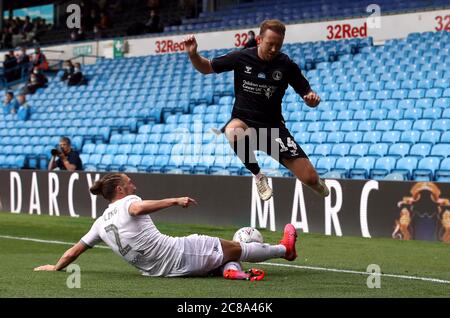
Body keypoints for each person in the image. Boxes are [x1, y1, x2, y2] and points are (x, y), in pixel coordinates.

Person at [33, 173, 297, 280]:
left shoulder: (99, 224)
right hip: (178, 254)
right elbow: (137, 208)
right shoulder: (129, 202)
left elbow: (74, 252)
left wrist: (55, 267)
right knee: (234, 247)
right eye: (129, 182)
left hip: (159, 272)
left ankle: (232, 272)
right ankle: (283, 250)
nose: (134, 185)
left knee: (222, 257)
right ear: (120, 189)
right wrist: (174, 200)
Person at [183, 19, 330, 201]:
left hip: (273, 128)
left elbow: (307, 93)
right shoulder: (241, 57)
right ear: (260, 39)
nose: (274, 49)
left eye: (279, 45)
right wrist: (193, 55)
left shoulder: (286, 65)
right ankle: (259, 176)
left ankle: (317, 183)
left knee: (310, 178)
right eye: (270, 44)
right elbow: (206, 67)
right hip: (244, 122)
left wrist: (312, 100)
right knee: (232, 130)